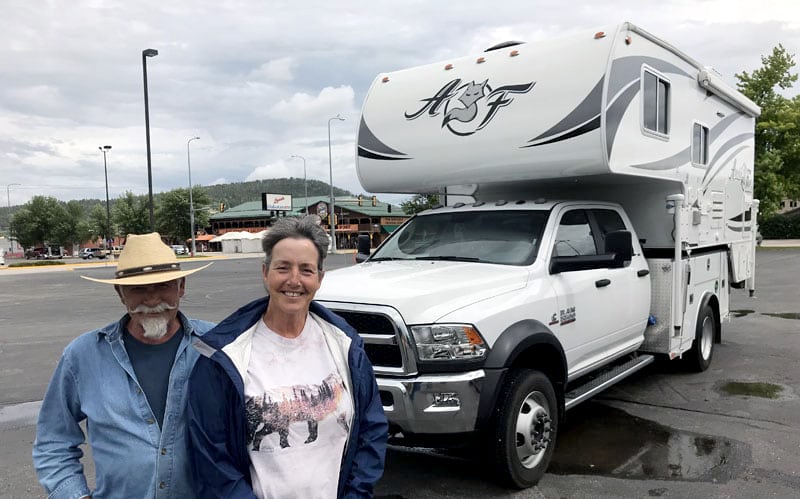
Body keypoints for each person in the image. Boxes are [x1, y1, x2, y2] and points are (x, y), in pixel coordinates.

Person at [188, 216, 387, 499]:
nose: (294, 280)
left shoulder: (345, 345)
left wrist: (356, 494)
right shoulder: (224, 357)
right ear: (265, 272)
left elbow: (371, 430)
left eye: (306, 270)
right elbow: (212, 460)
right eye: (283, 268)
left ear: (320, 278)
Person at [32, 232, 215, 499]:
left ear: (181, 286)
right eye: (138, 289)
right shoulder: (83, 356)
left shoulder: (215, 346)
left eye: (163, 285)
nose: (152, 300)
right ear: (120, 293)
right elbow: (53, 441)